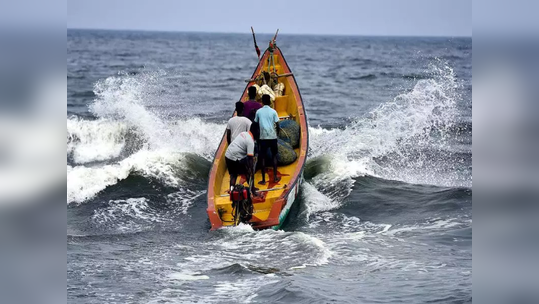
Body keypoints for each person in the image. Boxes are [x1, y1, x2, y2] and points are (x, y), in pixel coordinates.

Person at [224, 123, 259, 194]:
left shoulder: (244, 133)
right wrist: (251, 170)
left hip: (228, 155)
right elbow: (250, 158)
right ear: (257, 131)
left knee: (233, 175)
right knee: (248, 171)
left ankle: (231, 190)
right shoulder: (250, 142)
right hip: (235, 157)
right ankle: (252, 189)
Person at [254, 94, 281, 185]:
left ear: (262, 101)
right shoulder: (273, 111)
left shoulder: (258, 112)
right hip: (272, 137)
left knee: (262, 158)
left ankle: (263, 180)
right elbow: (277, 124)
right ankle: (275, 177)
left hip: (263, 138)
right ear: (270, 102)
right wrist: (277, 134)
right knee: (274, 156)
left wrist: (257, 136)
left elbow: (256, 124)